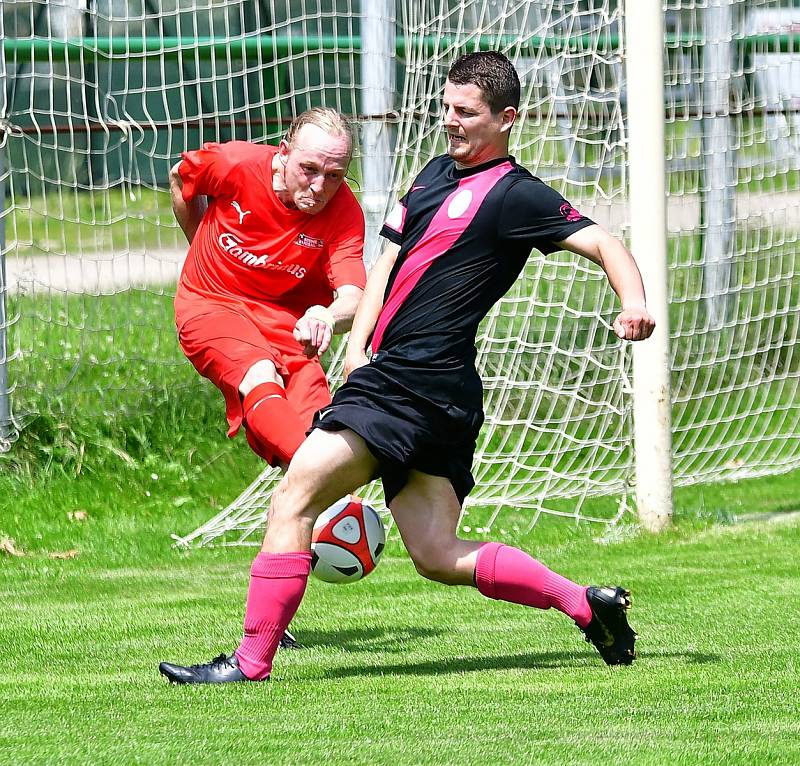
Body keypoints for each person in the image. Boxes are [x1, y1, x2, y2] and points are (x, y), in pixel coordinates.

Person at [159, 51, 656, 685]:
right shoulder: (430, 177)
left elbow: (602, 241)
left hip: (412, 381)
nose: (450, 121)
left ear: (507, 119)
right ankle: (585, 605)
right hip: (430, 389)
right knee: (438, 554)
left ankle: (248, 664)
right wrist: (358, 341)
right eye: (447, 107)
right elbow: (385, 267)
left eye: (466, 113)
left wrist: (634, 301)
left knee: (294, 499)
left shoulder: (514, 194)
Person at [169, 107, 366, 648]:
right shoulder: (233, 164)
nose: (321, 185)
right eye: (309, 169)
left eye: (335, 174)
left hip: (287, 328)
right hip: (211, 305)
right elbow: (182, 181)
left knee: (320, 441)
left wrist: (328, 313)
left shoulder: (343, 211)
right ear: (282, 153)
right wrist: (198, 246)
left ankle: (272, 624)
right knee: (261, 381)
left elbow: (353, 292)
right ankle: (340, 506)